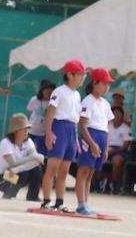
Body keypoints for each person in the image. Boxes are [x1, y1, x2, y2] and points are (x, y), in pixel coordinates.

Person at [37, 60, 86, 210]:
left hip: (71, 130)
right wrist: (49, 133)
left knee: (64, 170)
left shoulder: (77, 94)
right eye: (80, 74)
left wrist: (76, 139)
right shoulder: (59, 91)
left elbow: (75, 117)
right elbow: (50, 113)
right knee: (52, 167)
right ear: (70, 75)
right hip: (59, 127)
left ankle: (59, 202)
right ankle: (46, 200)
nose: (83, 78)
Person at [72, 68, 113, 214]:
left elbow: (107, 127)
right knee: (83, 171)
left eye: (108, 84)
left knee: (91, 173)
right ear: (95, 83)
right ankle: (80, 204)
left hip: (101, 137)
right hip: (90, 137)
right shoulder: (87, 101)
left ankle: (86, 203)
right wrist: (92, 143)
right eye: (104, 83)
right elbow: (82, 125)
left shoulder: (106, 104)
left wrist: (106, 146)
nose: (107, 87)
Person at [0, 114, 44, 199]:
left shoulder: (28, 141)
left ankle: (33, 196)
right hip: (1, 178)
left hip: (16, 172)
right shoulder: (6, 142)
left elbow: (36, 162)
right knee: (23, 172)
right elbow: (13, 164)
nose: (26, 131)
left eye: (27, 128)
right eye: (24, 129)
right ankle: (9, 192)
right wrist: (33, 157)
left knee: (37, 168)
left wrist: (34, 158)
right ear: (16, 130)